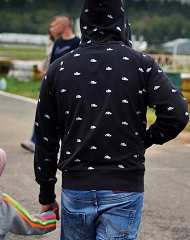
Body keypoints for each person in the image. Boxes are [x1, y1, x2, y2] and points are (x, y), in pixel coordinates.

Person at [33, 0, 189, 239]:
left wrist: (46, 194)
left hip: (76, 185)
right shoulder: (141, 64)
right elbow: (178, 112)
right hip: (124, 184)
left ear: (83, 23)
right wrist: (146, 139)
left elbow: (46, 137)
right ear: (122, 21)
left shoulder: (59, 67)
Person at [21, 14, 80, 153]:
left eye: (54, 26)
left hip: (69, 88)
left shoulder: (77, 43)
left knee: (66, 118)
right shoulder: (57, 43)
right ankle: (35, 142)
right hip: (52, 86)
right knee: (44, 113)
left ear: (63, 26)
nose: (51, 29)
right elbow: (52, 63)